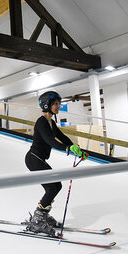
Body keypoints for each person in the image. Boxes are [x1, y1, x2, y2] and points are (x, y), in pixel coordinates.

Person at [25, 91, 87, 236]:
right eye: (56, 104)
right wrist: (67, 148)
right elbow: (50, 140)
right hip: (34, 159)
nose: (59, 107)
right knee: (52, 187)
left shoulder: (51, 122)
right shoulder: (41, 121)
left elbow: (62, 137)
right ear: (47, 105)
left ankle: (42, 215)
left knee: (55, 185)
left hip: (38, 159)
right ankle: (38, 220)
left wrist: (76, 149)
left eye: (59, 104)